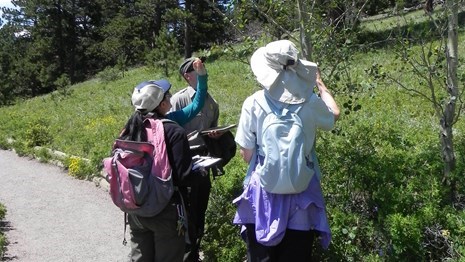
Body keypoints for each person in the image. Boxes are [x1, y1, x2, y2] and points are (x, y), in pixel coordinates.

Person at [233, 39, 340, 261]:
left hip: (263, 195)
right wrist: (320, 84)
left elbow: (247, 155)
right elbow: (334, 115)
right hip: (302, 195)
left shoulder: (253, 103)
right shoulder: (310, 102)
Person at [119, 79, 199, 262]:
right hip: (165, 210)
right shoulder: (173, 131)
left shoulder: (129, 129)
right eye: (168, 96)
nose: (170, 99)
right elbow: (183, 177)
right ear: (162, 104)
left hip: (136, 208)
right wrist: (200, 172)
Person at [170, 57, 220, 262]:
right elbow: (170, 133)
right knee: (185, 211)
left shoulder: (212, 101)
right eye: (196, 68)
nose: (201, 69)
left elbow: (212, 126)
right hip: (185, 163)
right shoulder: (178, 100)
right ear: (187, 76)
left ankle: (195, 252)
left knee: (200, 209)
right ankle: (183, 253)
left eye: (202, 66)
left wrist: (216, 135)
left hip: (204, 162)